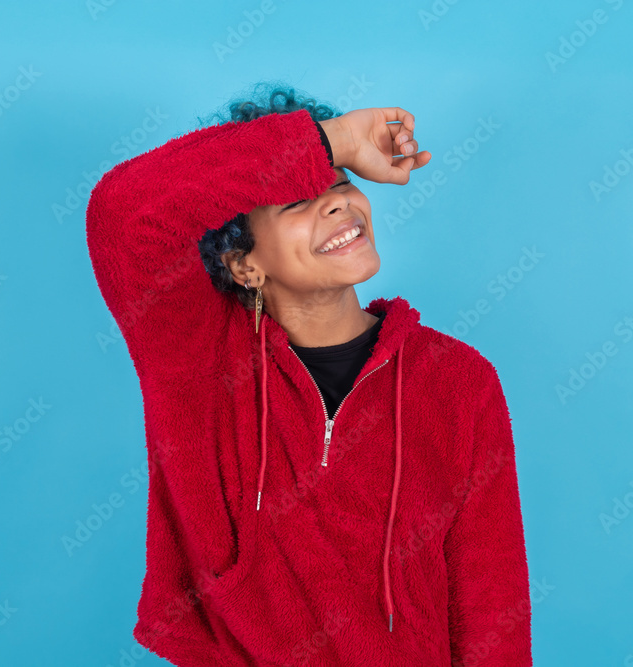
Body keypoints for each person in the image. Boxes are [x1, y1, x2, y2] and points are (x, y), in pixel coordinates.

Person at [85, 83, 532, 666]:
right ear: (243, 263)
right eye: (296, 201)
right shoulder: (196, 358)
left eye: (341, 184)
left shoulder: (456, 379)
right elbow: (122, 212)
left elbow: (491, 603)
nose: (338, 204)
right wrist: (336, 141)